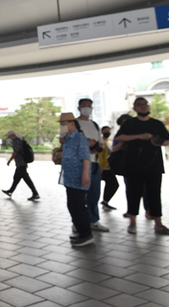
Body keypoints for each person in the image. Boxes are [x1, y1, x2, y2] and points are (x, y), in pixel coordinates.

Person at [115, 97, 169, 235]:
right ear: (134, 108)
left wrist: (157, 142)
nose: (143, 107)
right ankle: (132, 222)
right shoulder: (130, 124)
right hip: (133, 165)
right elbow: (119, 137)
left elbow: (167, 141)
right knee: (133, 193)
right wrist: (139, 136)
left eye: (145, 105)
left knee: (154, 194)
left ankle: (158, 224)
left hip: (154, 165)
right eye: (139, 105)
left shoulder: (157, 124)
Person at [58, 112, 94, 247]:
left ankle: (86, 235)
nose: (62, 126)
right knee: (73, 206)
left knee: (77, 207)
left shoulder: (80, 138)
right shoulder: (68, 139)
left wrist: (85, 175)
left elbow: (86, 158)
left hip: (79, 178)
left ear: (72, 123)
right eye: (61, 124)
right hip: (70, 178)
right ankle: (81, 232)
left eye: (64, 123)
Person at [76, 98, 108, 232]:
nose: (87, 108)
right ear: (79, 108)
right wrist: (86, 144)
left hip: (94, 163)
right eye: (84, 106)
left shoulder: (95, 125)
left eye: (89, 106)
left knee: (94, 193)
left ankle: (93, 220)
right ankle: (78, 222)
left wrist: (96, 148)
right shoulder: (74, 123)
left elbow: (101, 143)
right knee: (79, 195)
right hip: (79, 163)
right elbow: (66, 142)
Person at [1, 130, 39, 201]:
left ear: (12, 135)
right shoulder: (18, 140)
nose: (9, 138)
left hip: (21, 163)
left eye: (9, 137)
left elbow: (15, 152)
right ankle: (10, 191)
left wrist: (9, 160)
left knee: (26, 179)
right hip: (20, 163)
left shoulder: (16, 141)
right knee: (16, 178)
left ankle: (35, 193)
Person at [98, 126, 119, 210]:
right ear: (102, 132)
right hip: (104, 167)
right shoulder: (102, 142)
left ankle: (105, 201)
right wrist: (101, 167)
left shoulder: (109, 142)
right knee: (113, 184)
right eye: (105, 131)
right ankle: (105, 202)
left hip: (108, 167)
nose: (107, 132)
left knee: (111, 184)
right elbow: (100, 156)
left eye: (108, 131)